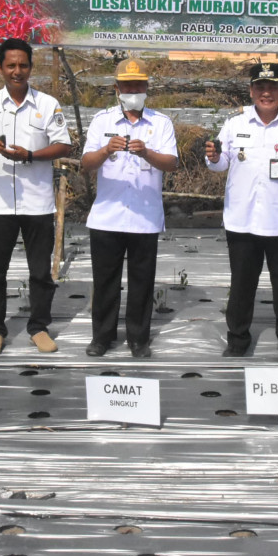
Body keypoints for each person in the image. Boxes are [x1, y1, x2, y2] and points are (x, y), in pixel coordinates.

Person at [206, 63, 278, 359]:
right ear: (251, 90)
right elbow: (220, 164)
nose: (266, 93)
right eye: (260, 87)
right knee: (241, 286)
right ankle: (237, 339)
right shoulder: (235, 123)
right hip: (242, 220)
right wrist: (215, 156)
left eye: (273, 87)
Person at [0, 38, 73, 357]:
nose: (17, 71)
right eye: (10, 65)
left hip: (37, 203)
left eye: (23, 65)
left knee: (40, 271)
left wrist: (31, 155)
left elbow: (64, 146)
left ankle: (38, 327)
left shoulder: (47, 104)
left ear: (30, 67)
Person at [82, 59, 179, 358]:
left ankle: (138, 338)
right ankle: (102, 337)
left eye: (138, 85)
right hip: (107, 216)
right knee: (105, 282)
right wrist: (105, 150)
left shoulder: (160, 123)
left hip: (144, 217)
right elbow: (86, 164)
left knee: (141, 283)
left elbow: (171, 163)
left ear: (147, 88)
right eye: (127, 85)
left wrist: (147, 152)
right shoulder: (102, 121)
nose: (133, 90)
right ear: (117, 89)